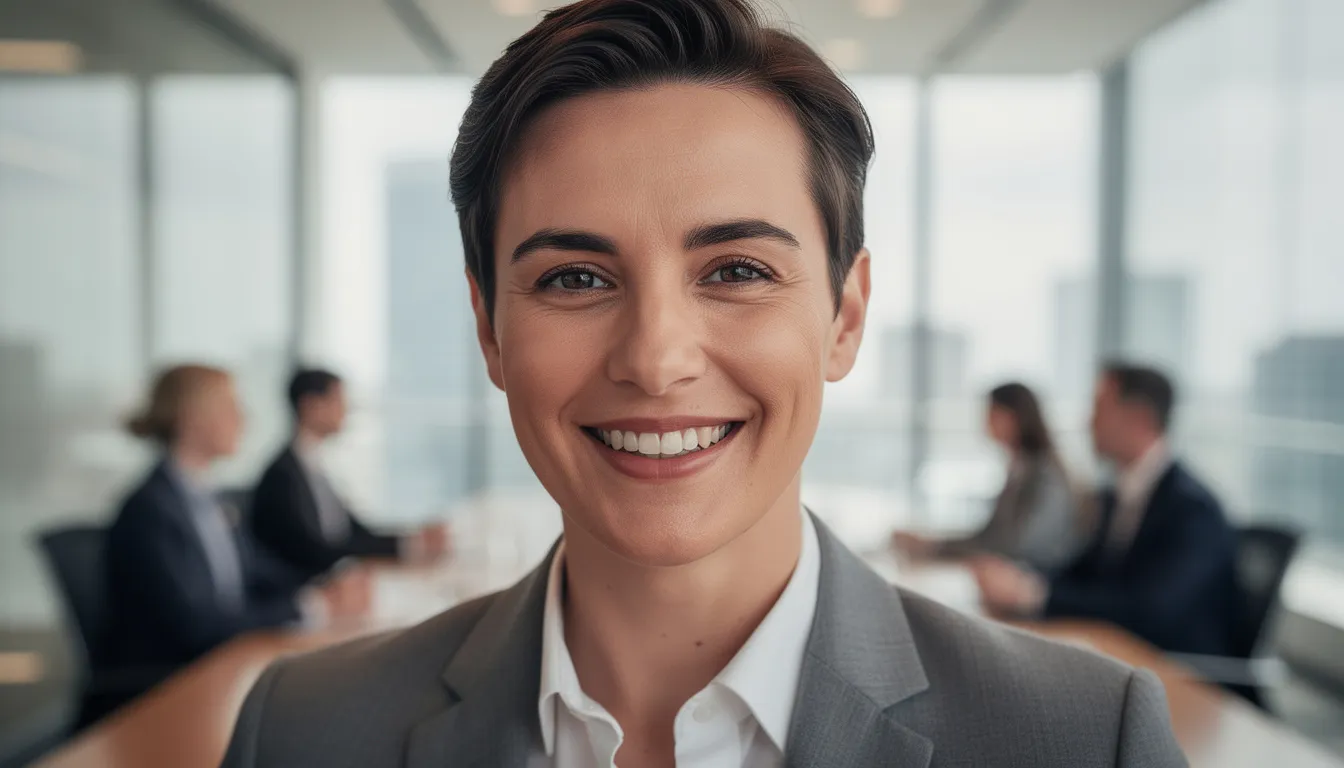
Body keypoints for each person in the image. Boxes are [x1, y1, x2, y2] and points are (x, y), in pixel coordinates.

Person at [222, 2, 1184, 766]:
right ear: (489, 330)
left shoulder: (1085, 739)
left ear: (845, 317)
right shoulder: (304, 731)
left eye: (736, 270)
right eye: (575, 279)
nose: (655, 359)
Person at [103, 365, 371, 683]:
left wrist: (323, 588)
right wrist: (306, 608)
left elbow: (254, 572)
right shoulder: (150, 510)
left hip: (221, 664)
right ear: (192, 418)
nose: (243, 419)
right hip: (170, 683)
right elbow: (195, 625)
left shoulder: (208, 498)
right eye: (229, 407)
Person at [973, 362, 1242, 657]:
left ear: (1139, 418)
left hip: (1178, 669)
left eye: (1100, 409)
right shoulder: (1118, 494)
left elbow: (1151, 610)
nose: (1089, 421)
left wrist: (1038, 595)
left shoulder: (1193, 510)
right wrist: (1024, 583)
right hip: (1119, 654)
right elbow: (1086, 573)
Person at [249, 368, 450, 579]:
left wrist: (412, 540)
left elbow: (351, 531)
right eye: (338, 401)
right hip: (309, 588)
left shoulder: (312, 464)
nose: (346, 410)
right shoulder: (282, 476)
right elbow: (314, 550)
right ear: (311, 406)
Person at [893, 382, 1092, 573]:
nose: (985, 422)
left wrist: (935, 548)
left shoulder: (1044, 476)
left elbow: (1015, 546)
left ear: (1014, 417)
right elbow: (989, 536)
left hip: (1032, 583)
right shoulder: (1020, 469)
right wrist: (932, 545)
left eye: (992, 413)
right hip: (1012, 577)